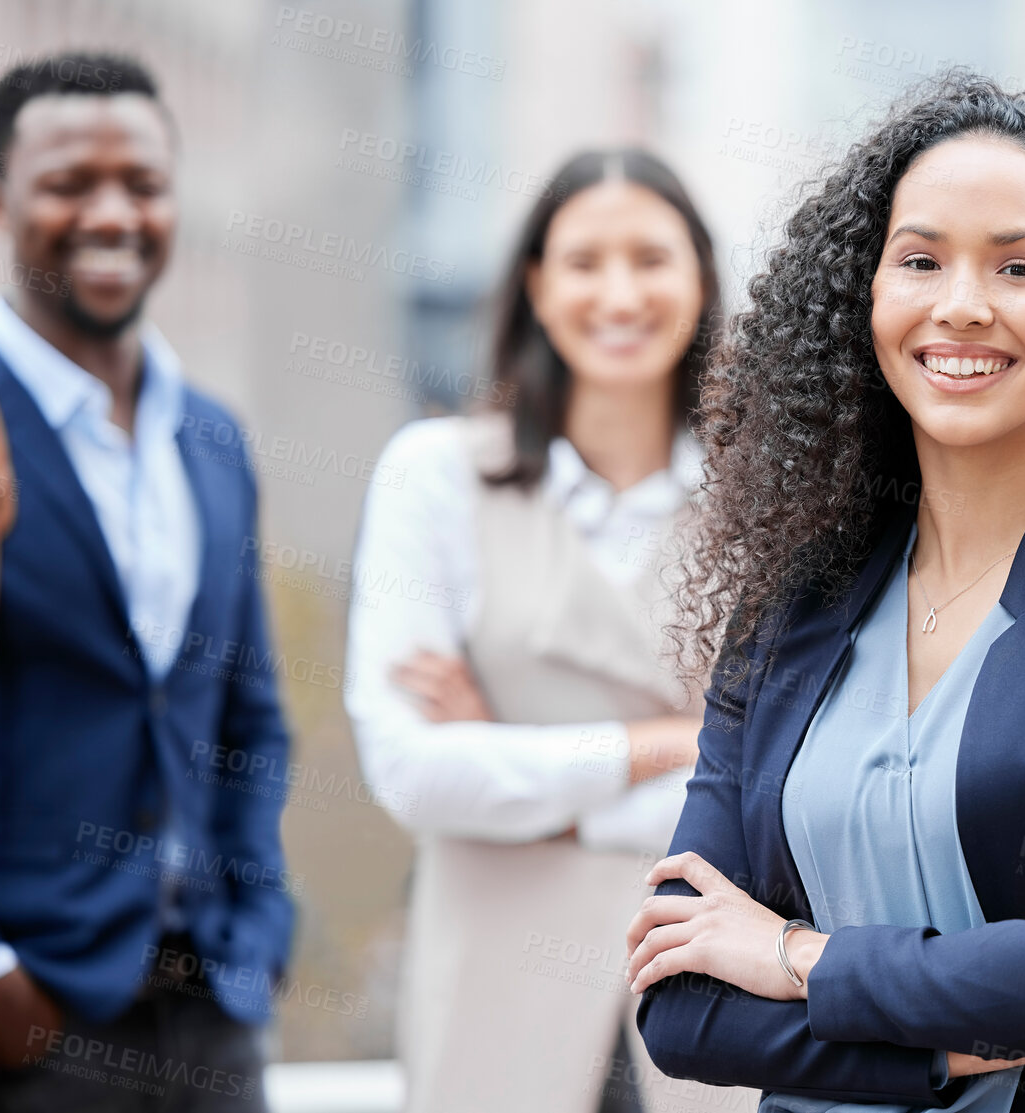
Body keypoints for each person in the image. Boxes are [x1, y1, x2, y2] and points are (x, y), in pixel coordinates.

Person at [624, 71, 1025, 1113]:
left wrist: (791, 954)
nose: (960, 306)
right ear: (865, 299)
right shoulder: (792, 602)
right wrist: (975, 1025)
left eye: (1017, 266)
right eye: (918, 260)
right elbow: (684, 1009)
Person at [0, 52, 293, 1111]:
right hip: (22, 1031)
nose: (112, 213)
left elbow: (247, 713)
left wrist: (259, 922)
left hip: (211, 1016)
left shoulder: (212, 438)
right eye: (68, 183)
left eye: (142, 185)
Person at [345, 149, 742, 1113]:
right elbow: (412, 770)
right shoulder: (435, 475)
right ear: (535, 284)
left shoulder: (763, 498)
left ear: (699, 277)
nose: (618, 293)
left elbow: (793, 778)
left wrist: (523, 770)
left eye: (651, 258)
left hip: (724, 1007)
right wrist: (680, 743)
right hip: (498, 998)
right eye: (583, 261)